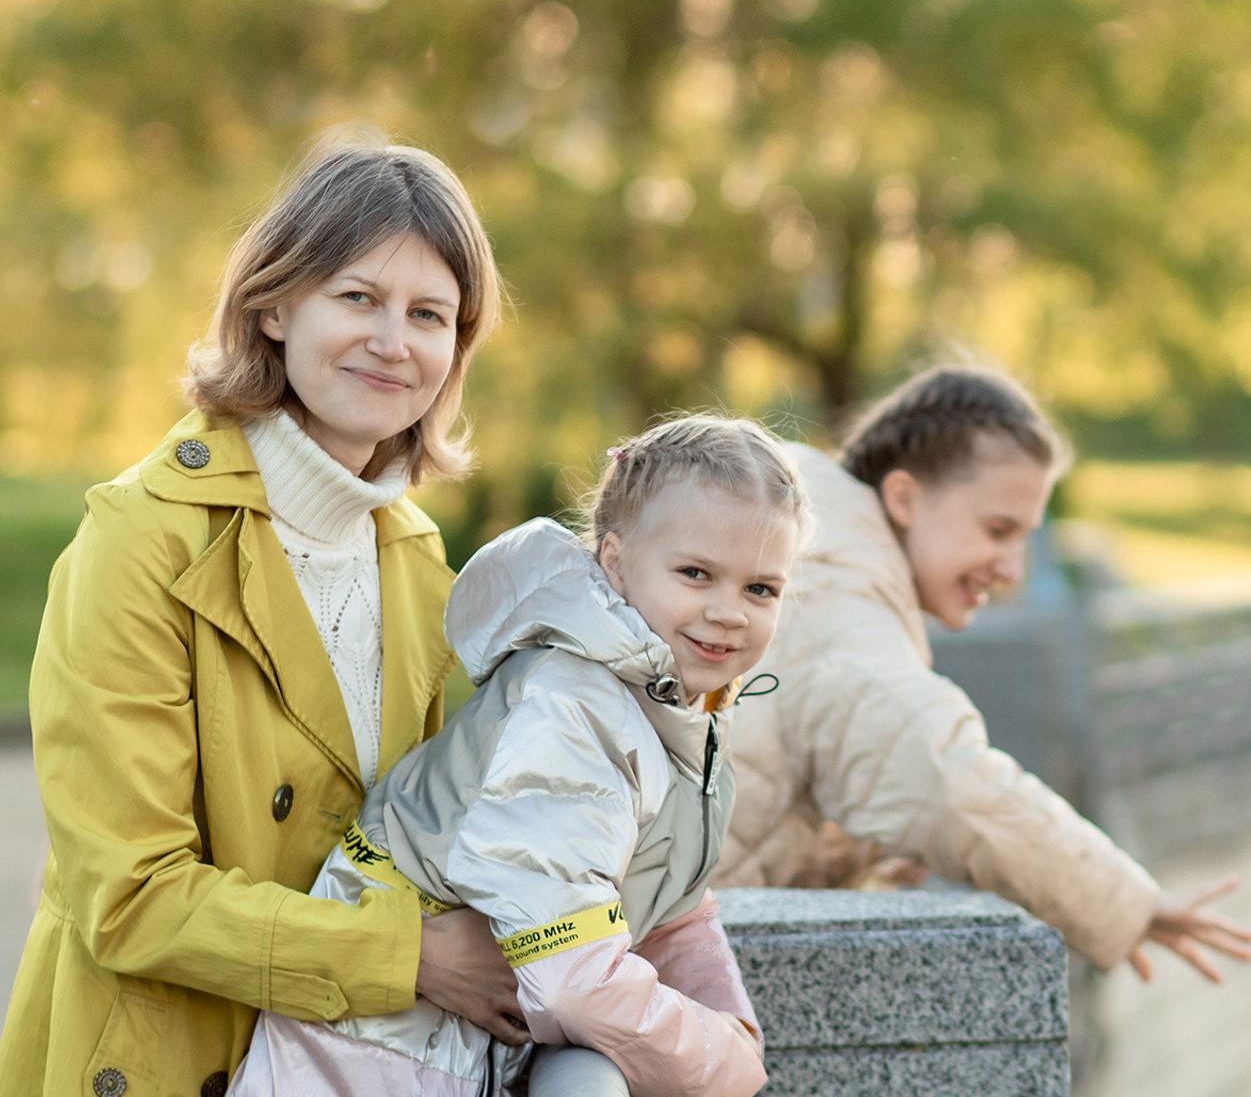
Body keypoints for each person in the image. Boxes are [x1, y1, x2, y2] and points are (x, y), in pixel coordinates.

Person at [0, 137, 518, 1097]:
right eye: (358, 297)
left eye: (429, 314)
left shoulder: (416, 559)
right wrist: (409, 959)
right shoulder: (142, 539)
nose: (394, 341)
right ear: (273, 306)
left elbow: (415, 834)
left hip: (342, 1066)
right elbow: (130, 897)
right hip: (164, 1059)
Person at [228, 414, 812, 1097]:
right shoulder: (572, 708)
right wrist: (722, 1062)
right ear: (616, 562)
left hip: (441, 1053)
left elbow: (667, 896)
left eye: (760, 589)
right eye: (695, 573)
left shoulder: (678, 712)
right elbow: (569, 982)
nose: (729, 612)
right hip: (371, 1061)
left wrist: (728, 1020)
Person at [714, 364, 1251, 983]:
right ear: (905, 499)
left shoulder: (807, 551)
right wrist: (1124, 901)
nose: (1012, 568)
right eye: (998, 530)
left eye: (1023, 538)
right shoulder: (842, 599)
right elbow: (949, 779)